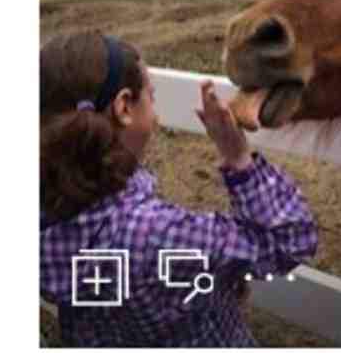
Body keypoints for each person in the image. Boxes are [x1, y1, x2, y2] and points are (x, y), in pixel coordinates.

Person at [40, 31, 318, 347]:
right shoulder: (156, 234)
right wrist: (238, 155)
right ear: (124, 108)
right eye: (152, 96)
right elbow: (292, 239)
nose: (156, 113)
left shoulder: (46, 212)